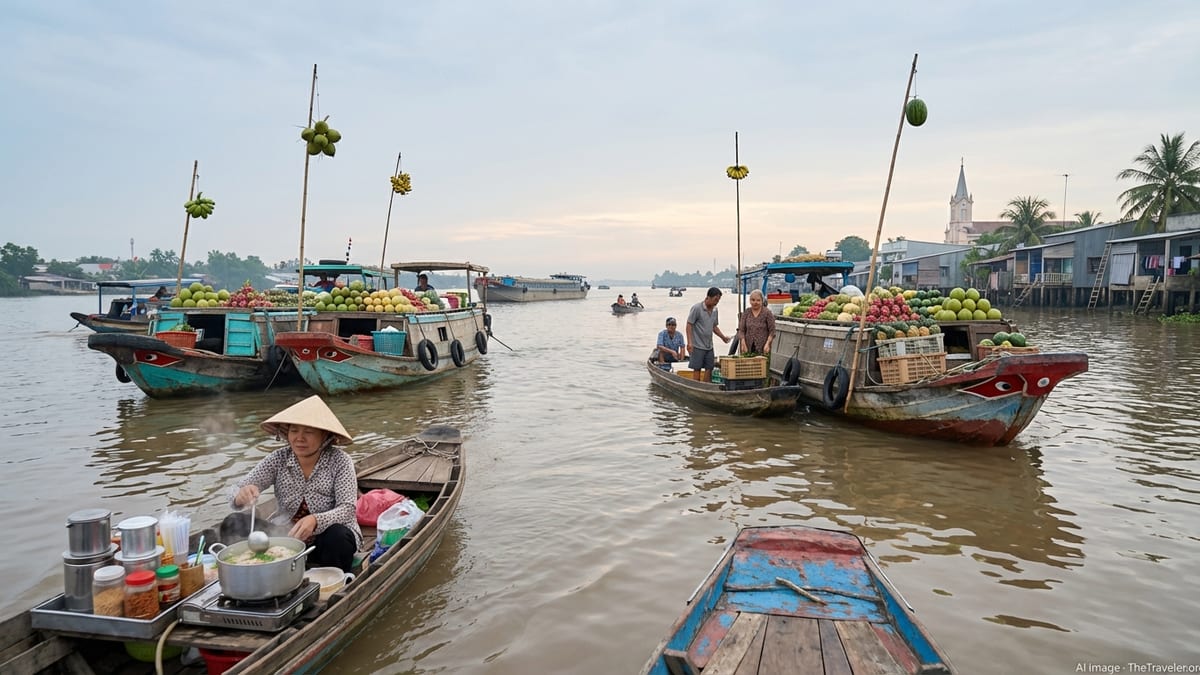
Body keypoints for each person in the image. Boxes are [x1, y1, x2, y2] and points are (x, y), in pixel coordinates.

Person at [220, 395, 361, 572]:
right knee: (232, 522)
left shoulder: (340, 461)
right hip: (284, 537)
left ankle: (331, 582)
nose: (299, 438)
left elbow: (347, 509)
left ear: (325, 436)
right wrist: (241, 495)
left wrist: (316, 520)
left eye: (308, 432)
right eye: (294, 431)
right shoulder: (278, 459)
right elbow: (237, 488)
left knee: (338, 537)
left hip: (324, 541)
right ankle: (249, 572)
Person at [686, 287, 732, 382]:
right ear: (708, 297)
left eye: (718, 300)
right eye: (715, 300)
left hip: (709, 345)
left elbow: (714, 327)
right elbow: (689, 325)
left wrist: (723, 337)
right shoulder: (697, 308)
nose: (716, 302)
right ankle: (696, 387)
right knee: (697, 368)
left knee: (709, 368)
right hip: (697, 345)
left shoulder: (715, 310)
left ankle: (706, 386)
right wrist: (689, 342)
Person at [737, 289, 776, 355]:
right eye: (753, 300)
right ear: (750, 301)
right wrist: (743, 343)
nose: (755, 302)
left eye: (758, 300)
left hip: (763, 348)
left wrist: (768, 343)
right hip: (747, 347)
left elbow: (772, 331)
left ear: (762, 301)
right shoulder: (746, 312)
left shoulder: (767, 313)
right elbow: (741, 330)